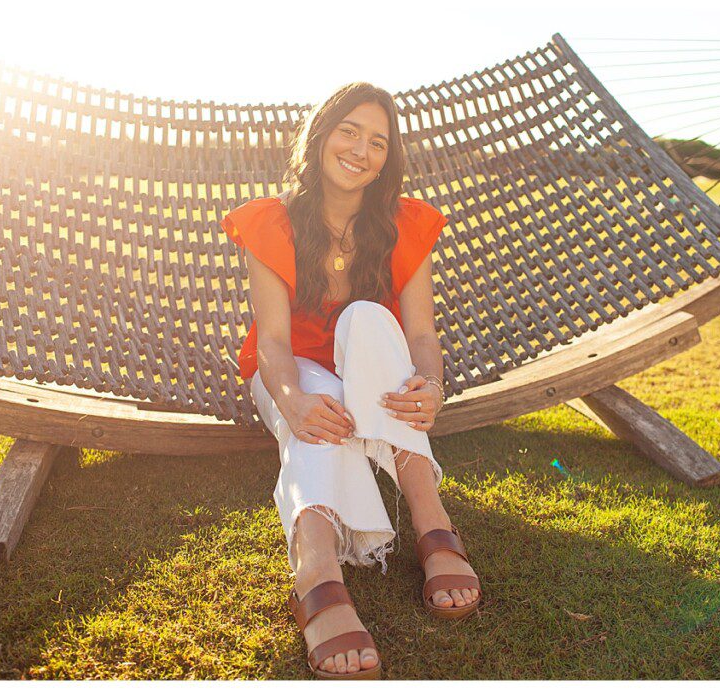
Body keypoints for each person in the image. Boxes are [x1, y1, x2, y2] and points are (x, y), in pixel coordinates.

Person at [220, 82, 481, 680]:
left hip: (373, 372)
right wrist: (291, 403)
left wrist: (431, 385)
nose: (361, 150)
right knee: (319, 406)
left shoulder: (405, 224)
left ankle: (430, 518)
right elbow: (276, 345)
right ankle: (317, 571)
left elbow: (419, 336)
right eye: (349, 132)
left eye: (378, 143)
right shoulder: (271, 223)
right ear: (320, 136)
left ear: (388, 159)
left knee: (368, 317)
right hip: (292, 371)